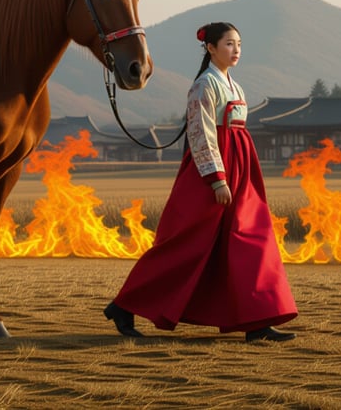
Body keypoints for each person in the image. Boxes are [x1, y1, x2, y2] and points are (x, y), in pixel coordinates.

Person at [104, 22, 298, 342]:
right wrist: (216, 179)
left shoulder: (235, 86)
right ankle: (124, 305)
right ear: (210, 48)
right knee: (186, 246)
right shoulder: (204, 86)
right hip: (212, 175)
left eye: (239, 44)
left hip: (241, 169)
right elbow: (201, 135)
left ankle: (257, 319)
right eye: (228, 44)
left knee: (250, 240)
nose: (236, 50)